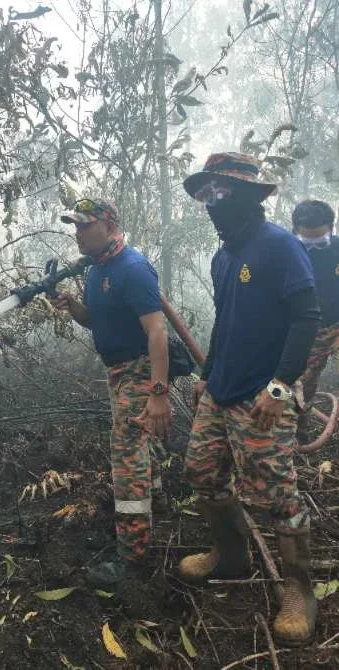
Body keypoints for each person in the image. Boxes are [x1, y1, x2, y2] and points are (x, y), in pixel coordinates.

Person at [180, 152, 320, 647]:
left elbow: (307, 317)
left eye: (220, 193)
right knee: (201, 472)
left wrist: (281, 386)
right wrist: (206, 372)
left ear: (246, 195)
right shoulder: (223, 256)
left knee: (278, 496)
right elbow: (226, 320)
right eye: (205, 194)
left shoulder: (279, 245)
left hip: (264, 392)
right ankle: (231, 555)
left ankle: (300, 591)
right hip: (221, 389)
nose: (212, 203)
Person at [50, 197, 172, 587]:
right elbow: (97, 322)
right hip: (119, 372)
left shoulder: (132, 268)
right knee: (140, 447)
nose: (77, 234)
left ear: (108, 225)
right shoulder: (97, 269)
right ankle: (157, 505)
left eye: (84, 225)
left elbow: (157, 331)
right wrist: (73, 306)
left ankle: (133, 555)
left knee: (126, 456)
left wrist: (158, 393)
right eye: (75, 226)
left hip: (140, 371)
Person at [291, 200, 339, 444]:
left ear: (331, 228)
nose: (315, 247)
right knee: (303, 382)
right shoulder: (287, 253)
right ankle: (300, 433)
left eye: (321, 239)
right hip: (309, 330)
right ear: (295, 231)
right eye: (309, 241)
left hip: (337, 323)